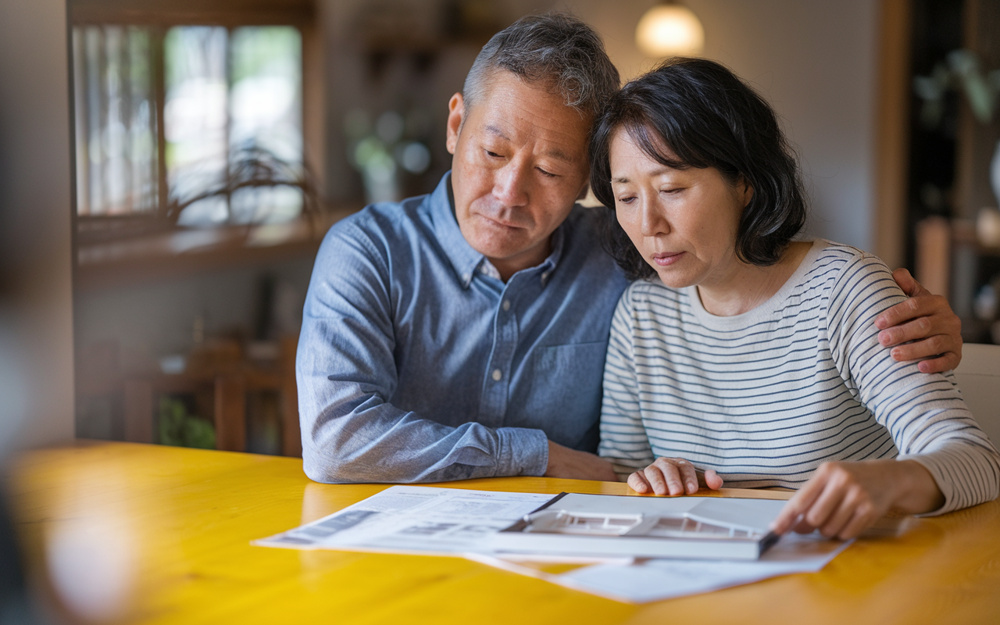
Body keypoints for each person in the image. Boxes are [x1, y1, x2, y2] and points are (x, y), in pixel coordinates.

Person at [297, 14, 963, 485]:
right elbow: (334, 440)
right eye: (492, 152)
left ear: (586, 181)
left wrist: (926, 324)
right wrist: (538, 455)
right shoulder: (369, 252)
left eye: (551, 170)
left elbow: (749, 273)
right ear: (454, 125)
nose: (509, 192)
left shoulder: (624, 251)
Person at [591, 57, 999, 540]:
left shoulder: (842, 289)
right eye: (627, 197)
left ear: (745, 182)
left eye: (671, 188)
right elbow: (620, 477)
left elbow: (975, 460)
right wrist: (653, 477)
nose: (648, 225)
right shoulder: (641, 313)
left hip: (852, 566)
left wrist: (890, 481)